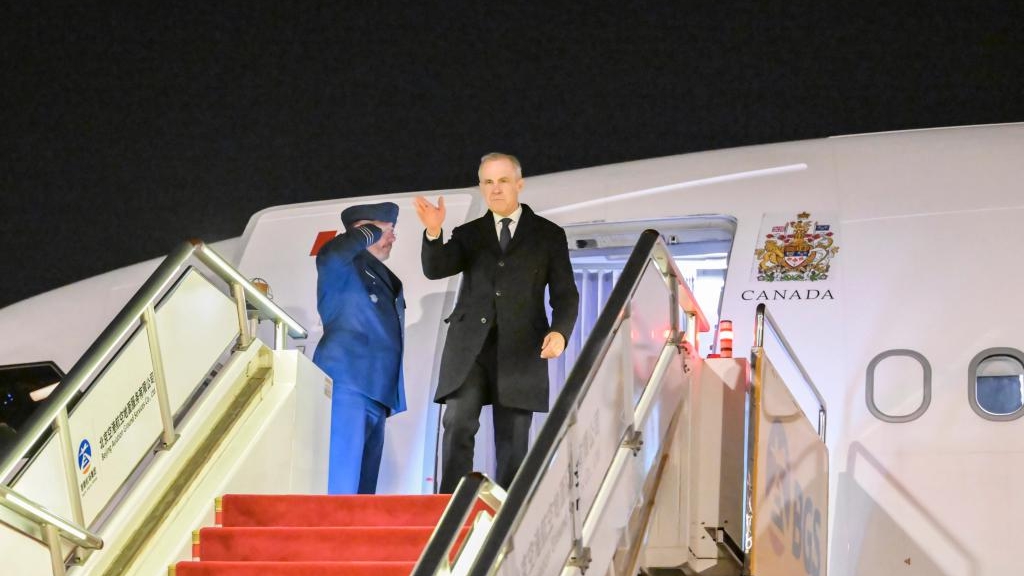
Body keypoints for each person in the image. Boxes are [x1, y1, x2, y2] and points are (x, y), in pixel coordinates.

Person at [414, 153, 579, 492]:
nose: (495, 189)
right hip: (469, 348)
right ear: (481, 187)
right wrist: (433, 232)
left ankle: (507, 514)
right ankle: (451, 506)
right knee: (458, 423)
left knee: (514, 438)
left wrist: (560, 332)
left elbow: (565, 294)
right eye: (488, 182)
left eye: (503, 180)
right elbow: (436, 268)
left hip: (522, 348)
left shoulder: (548, 235)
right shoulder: (468, 233)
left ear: (519, 184)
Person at [312, 202, 405, 494]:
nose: (392, 237)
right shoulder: (341, 263)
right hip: (348, 382)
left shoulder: (382, 275)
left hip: (378, 391)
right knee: (340, 486)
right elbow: (332, 252)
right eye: (387, 230)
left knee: (363, 497)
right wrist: (370, 231)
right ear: (365, 229)